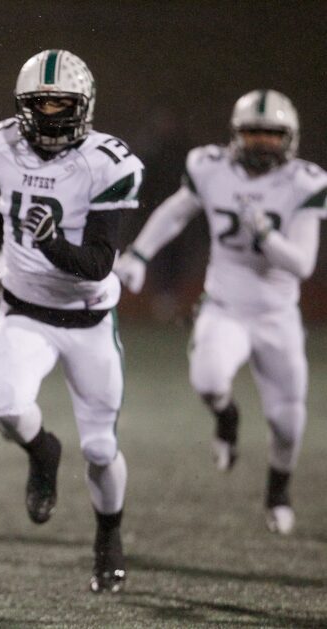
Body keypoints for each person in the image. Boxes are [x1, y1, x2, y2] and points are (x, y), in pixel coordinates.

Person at [115, 89, 327, 535]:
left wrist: (266, 234)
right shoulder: (210, 167)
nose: (261, 144)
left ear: (288, 139)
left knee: (288, 421)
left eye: (271, 136)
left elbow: (303, 263)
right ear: (236, 135)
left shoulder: (305, 182)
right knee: (208, 381)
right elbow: (176, 212)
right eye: (253, 134)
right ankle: (227, 418)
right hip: (225, 304)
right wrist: (138, 255)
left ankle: (278, 489)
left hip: (277, 315)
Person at [0, 50, 144, 594]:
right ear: (22, 106)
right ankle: (42, 451)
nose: (49, 114)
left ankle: (107, 538)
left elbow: (97, 262)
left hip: (87, 318)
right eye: (39, 103)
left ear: (83, 107)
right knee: (4, 405)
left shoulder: (109, 163)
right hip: (23, 312)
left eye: (60, 104)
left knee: (99, 449)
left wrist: (49, 243)